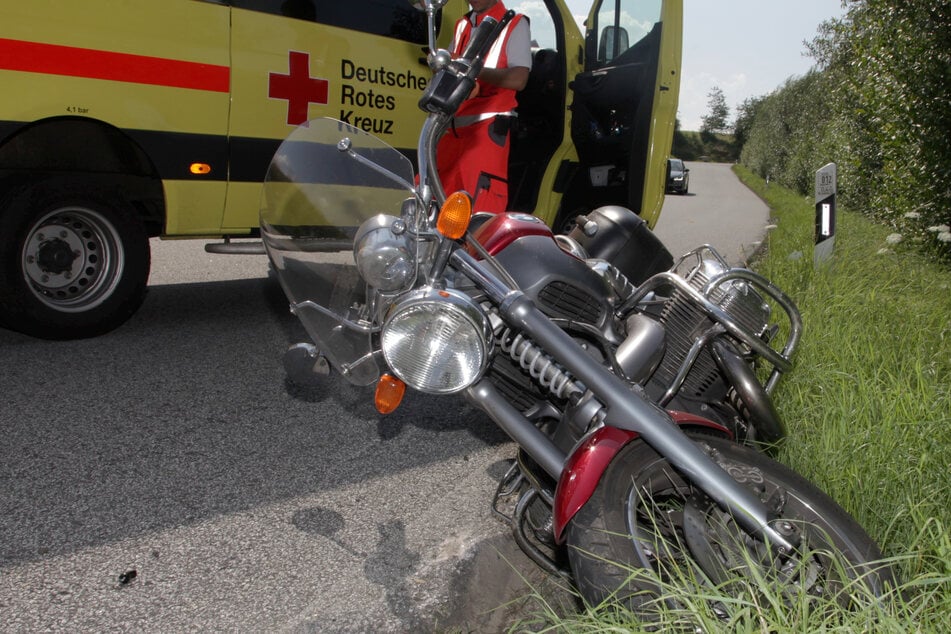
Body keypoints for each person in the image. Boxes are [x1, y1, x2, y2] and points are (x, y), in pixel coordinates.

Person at [436, 0, 531, 214]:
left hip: (486, 129)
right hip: (453, 129)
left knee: (479, 211)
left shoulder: (515, 23)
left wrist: (474, 71)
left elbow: (519, 79)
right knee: (432, 201)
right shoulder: (463, 24)